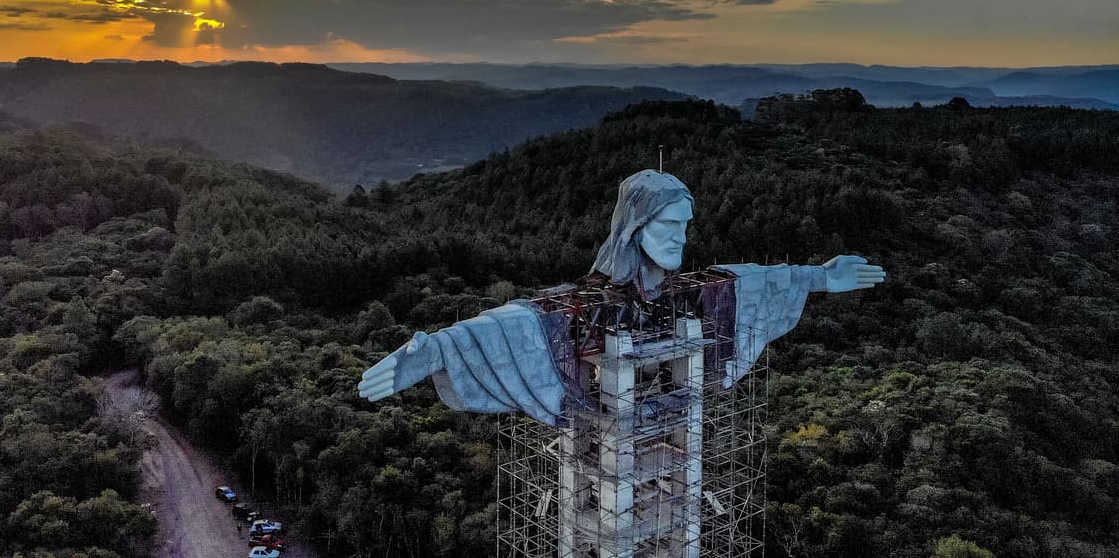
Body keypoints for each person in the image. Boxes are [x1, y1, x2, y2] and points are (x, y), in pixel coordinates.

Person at [358, 169, 885, 425]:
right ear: (635, 228)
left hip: (668, 419)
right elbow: (514, 322)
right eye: (670, 225)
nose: (681, 238)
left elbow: (756, 279)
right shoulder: (592, 301)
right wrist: (435, 351)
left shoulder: (696, 290)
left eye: (686, 226)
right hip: (610, 428)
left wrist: (819, 276)